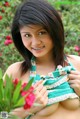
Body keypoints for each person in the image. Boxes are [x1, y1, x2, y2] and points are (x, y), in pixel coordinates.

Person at [3, 0, 80, 119]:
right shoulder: (16, 72)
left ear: (55, 30)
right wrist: (26, 108)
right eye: (27, 35)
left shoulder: (77, 64)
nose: (35, 42)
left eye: (42, 33)